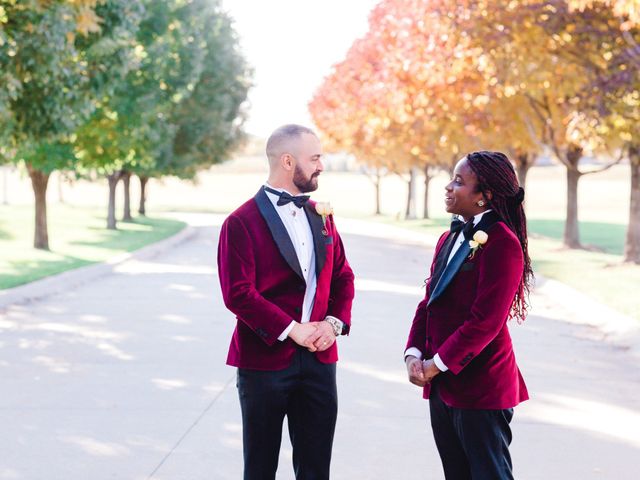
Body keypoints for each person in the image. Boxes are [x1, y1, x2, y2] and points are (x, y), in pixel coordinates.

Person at [217, 124, 355, 480]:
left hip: (320, 361)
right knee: (260, 468)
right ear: (288, 161)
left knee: (315, 469)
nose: (321, 165)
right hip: (263, 363)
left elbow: (342, 276)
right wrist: (292, 330)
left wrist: (332, 324)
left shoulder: (321, 215)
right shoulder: (239, 222)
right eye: (315, 158)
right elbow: (238, 293)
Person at [404, 150, 532, 480]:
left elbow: (485, 321)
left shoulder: (503, 242)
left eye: (459, 182)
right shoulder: (448, 238)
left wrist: (437, 364)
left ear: (484, 195)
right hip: (442, 385)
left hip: (481, 387)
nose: (449, 187)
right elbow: (428, 303)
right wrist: (414, 354)